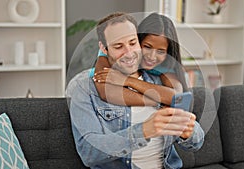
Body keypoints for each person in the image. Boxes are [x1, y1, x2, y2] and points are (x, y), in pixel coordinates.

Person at [66, 12, 204, 169]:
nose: (129, 52)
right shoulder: (83, 86)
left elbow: (196, 143)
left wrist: (188, 132)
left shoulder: (160, 80)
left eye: (132, 43)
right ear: (104, 48)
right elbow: (88, 153)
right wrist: (144, 130)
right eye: (118, 46)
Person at [93, 13, 187, 107]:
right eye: (147, 47)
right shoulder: (108, 52)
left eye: (161, 51)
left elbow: (177, 97)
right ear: (138, 40)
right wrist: (155, 102)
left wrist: (127, 80)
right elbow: (107, 92)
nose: (152, 57)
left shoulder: (165, 66)